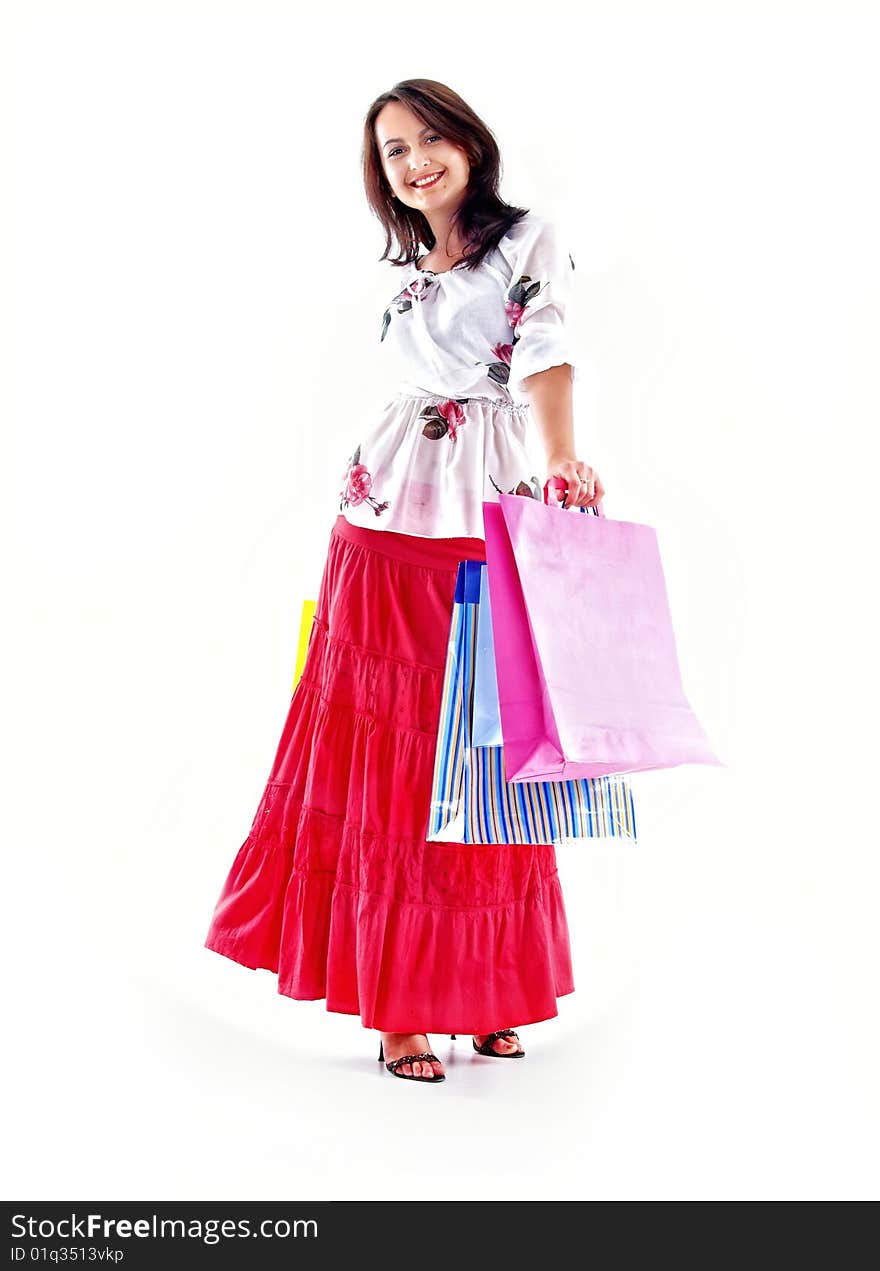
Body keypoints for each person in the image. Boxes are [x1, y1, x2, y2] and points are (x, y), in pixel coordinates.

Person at [204, 78, 607, 1085]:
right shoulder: (412, 266)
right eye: (393, 151)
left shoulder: (526, 239)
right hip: (385, 518)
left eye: (430, 139)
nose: (415, 161)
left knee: (488, 746)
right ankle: (402, 1005)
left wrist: (562, 457)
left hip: (487, 509)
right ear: (379, 176)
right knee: (393, 752)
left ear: (469, 144)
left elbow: (546, 347)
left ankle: (495, 989)